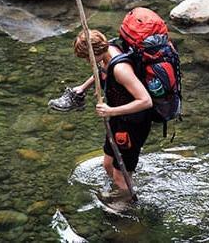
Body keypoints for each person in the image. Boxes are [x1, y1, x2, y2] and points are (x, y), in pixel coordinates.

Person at [49, 30, 153, 201]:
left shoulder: (121, 69)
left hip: (132, 124)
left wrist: (110, 111)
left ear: (96, 52)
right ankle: (121, 190)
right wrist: (82, 88)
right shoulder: (108, 51)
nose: (87, 61)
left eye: (87, 57)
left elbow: (146, 101)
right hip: (118, 119)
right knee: (108, 165)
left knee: (121, 175)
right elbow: (102, 70)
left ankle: (126, 207)